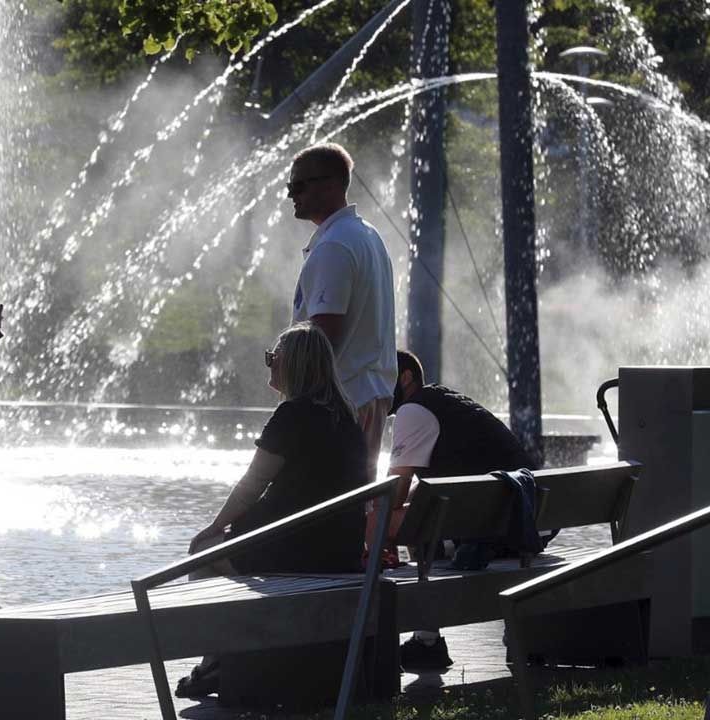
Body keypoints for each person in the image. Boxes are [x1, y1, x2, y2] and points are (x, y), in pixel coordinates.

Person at [175, 322, 368, 698]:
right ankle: (231, 656)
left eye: (273, 358)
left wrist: (213, 529)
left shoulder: (292, 415)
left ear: (293, 365)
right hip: (339, 552)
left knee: (202, 556)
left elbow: (251, 487)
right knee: (221, 549)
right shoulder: (347, 419)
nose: (269, 366)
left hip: (296, 551)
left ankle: (213, 663)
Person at [385, 350, 538, 671]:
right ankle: (427, 637)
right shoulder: (445, 401)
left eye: (380, 377)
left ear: (405, 378)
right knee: (425, 512)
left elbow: (392, 495)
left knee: (393, 520)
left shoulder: (413, 411)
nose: (374, 388)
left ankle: (422, 637)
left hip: (495, 528)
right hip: (525, 517)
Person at [286, 143, 396, 484]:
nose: (291, 194)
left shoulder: (335, 245)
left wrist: (289, 381)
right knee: (354, 504)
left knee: (323, 504)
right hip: (368, 393)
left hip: (339, 401)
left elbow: (322, 337)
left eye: (299, 185)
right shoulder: (367, 235)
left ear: (331, 185)